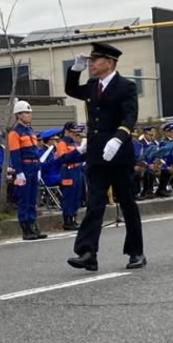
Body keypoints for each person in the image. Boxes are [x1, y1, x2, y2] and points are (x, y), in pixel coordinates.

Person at [64, 42, 145, 271]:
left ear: (109, 63)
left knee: (127, 203)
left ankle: (136, 252)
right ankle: (88, 252)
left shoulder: (126, 86)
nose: (91, 64)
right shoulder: (93, 85)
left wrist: (118, 138)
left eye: (95, 60)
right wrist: (75, 69)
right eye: (89, 61)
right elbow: (72, 90)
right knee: (95, 203)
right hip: (96, 155)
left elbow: (130, 117)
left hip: (118, 154)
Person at [9, 100, 47, 241]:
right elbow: (15, 154)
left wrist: (38, 168)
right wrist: (19, 172)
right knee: (24, 199)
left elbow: (35, 151)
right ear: (18, 115)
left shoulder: (30, 130)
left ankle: (33, 226)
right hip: (24, 167)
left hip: (34, 166)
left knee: (32, 199)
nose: (29, 115)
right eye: (26, 113)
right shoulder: (14, 133)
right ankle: (26, 229)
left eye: (29, 113)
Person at [54, 122, 85, 230]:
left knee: (77, 195)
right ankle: (67, 220)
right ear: (66, 131)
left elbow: (77, 157)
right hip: (68, 170)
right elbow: (64, 158)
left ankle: (73, 218)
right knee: (69, 196)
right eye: (72, 132)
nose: (74, 134)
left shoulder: (73, 143)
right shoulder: (62, 143)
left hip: (76, 169)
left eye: (75, 132)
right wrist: (77, 151)